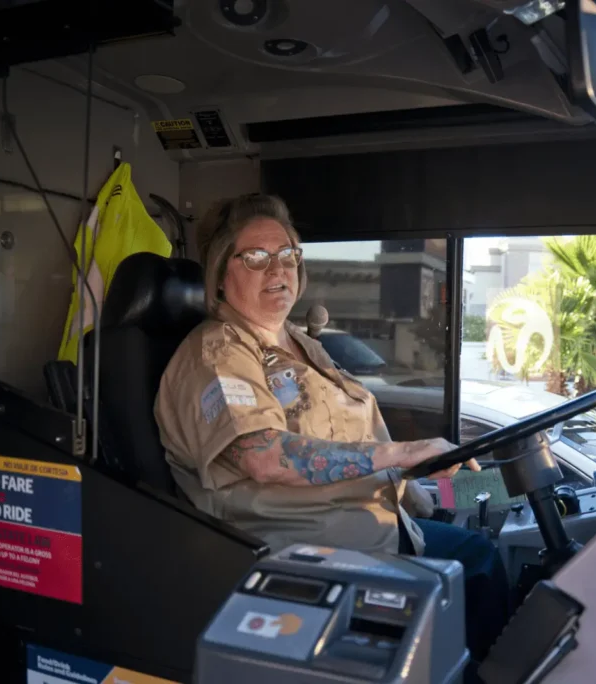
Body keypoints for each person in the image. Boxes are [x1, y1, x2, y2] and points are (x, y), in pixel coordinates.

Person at [154, 193, 511, 665]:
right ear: (222, 275)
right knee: (480, 565)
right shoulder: (217, 355)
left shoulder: (299, 344)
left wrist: (448, 495)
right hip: (308, 554)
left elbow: (363, 439)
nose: (277, 270)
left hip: (376, 526)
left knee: (501, 520)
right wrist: (403, 455)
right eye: (256, 258)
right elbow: (265, 456)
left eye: (287, 255)